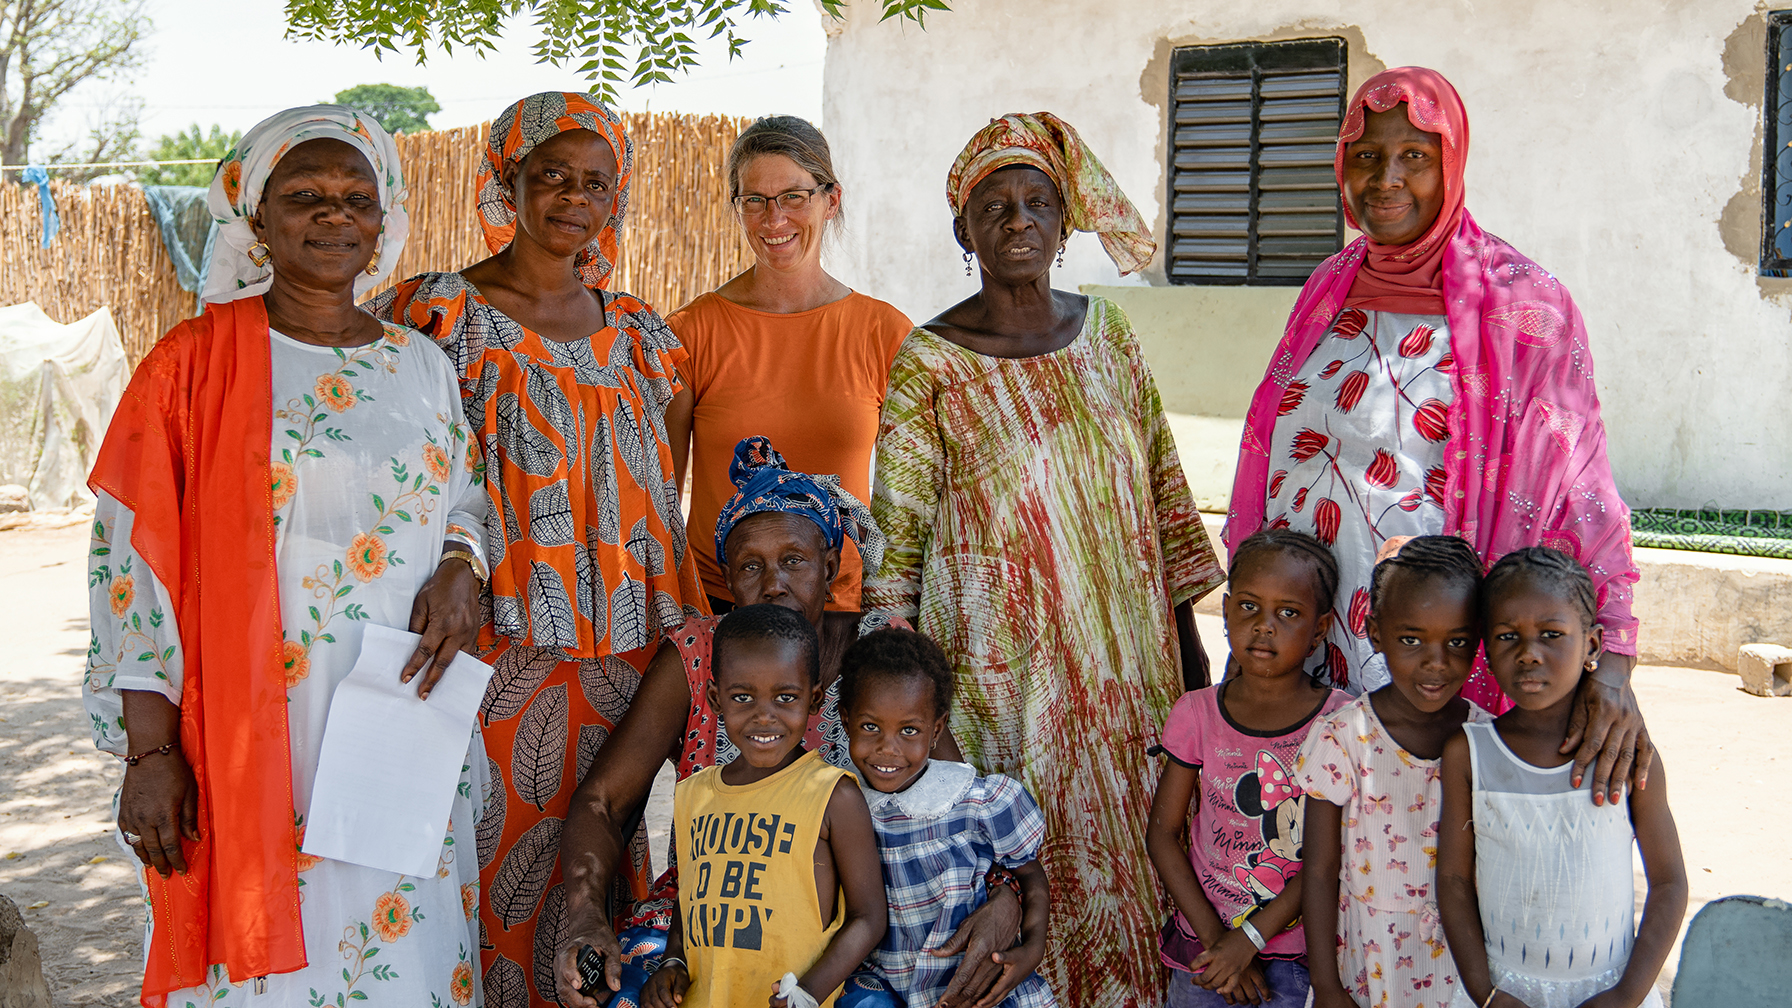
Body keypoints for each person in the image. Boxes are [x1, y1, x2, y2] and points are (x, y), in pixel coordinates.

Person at [84, 106, 489, 1006]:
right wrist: (150, 757)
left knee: (400, 943)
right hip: (256, 728)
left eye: (358, 197)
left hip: (397, 713)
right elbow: (129, 571)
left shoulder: (420, 365)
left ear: (386, 221)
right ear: (257, 217)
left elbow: (464, 496)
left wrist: (463, 564)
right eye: (305, 196)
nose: (335, 215)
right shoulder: (192, 364)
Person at [866, 111, 1225, 1008]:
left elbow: (1164, 508)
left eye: (1038, 203)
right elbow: (893, 571)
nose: (1019, 220)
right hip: (1002, 703)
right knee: (1025, 911)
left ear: (1065, 225)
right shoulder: (928, 365)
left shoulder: (1111, 339)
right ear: (964, 230)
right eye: (996, 206)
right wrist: (934, 748)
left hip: (1129, 687)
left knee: (1145, 889)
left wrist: (1194, 670)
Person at [1223, 67, 1649, 802]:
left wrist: (1610, 664)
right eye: (1365, 156)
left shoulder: (1523, 303)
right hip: (1308, 642)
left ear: (1451, 163)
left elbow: (1582, 494)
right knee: (1321, 850)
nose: (1386, 179)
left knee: (1423, 861)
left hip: (1432, 653)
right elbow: (1268, 456)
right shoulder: (1328, 286)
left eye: (1414, 157)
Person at [370, 91, 705, 1004]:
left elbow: (658, 482)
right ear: (506, 179)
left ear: (617, 198)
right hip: (501, 645)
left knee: (608, 864)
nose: (572, 197)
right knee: (496, 860)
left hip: (628, 648)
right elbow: (401, 467)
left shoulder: (640, 332)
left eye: (595, 182)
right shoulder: (440, 317)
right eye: (550, 175)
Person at [555, 437, 1024, 1008]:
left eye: (794, 562)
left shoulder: (879, 653)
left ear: (830, 568)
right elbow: (602, 801)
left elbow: (957, 802)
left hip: (863, 921)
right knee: (617, 992)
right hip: (711, 917)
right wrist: (585, 917)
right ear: (727, 577)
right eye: (750, 566)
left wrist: (1008, 896)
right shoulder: (702, 652)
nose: (773, 583)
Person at [664, 115, 911, 614]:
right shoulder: (691, 332)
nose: (773, 219)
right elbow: (660, 500)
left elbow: (908, 508)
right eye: (754, 200)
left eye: (794, 197)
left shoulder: (884, 333)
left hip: (841, 614)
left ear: (831, 199)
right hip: (721, 611)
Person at [1438, 548, 1687, 1008]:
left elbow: (1670, 883)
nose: (1529, 654)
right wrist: (1485, 994)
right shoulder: (1469, 753)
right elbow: (1453, 880)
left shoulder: (1627, 755)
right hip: (1503, 993)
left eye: (1552, 634)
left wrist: (1625, 996)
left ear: (1592, 644)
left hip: (1609, 993)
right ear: (1486, 651)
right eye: (1508, 636)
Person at [642, 604, 887, 1008]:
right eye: (743, 697)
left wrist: (807, 992)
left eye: (785, 697)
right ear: (716, 700)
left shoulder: (832, 795)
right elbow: (692, 898)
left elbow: (869, 917)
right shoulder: (693, 795)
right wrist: (673, 960)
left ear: (814, 699)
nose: (764, 717)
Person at [1146, 530, 1349, 1008]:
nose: (1264, 626)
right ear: (1228, 608)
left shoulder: (1340, 723)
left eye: (1288, 613)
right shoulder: (1196, 713)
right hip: (1205, 950)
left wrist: (1248, 941)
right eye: (1249, 607)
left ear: (1320, 630)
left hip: (1296, 957)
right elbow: (1162, 833)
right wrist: (1220, 945)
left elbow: (1328, 859)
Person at [1295, 536, 1495, 1008]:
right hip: (1371, 960)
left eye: (1458, 642)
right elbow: (1320, 871)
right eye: (1412, 639)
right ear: (1375, 630)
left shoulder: (1488, 740)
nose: (1436, 662)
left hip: (1463, 967)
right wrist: (1325, 984)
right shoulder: (1344, 736)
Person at [838, 628, 1055, 1008]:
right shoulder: (843, 806)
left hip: (978, 987)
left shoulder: (973, 801)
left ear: (936, 729)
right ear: (845, 721)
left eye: (909, 731)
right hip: (890, 986)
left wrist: (1033, 947)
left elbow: (1030, 873)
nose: (888, 749)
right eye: (870, 727)